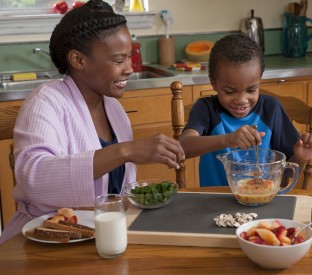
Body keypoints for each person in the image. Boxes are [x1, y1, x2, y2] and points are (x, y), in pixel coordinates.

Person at [0, 0, 184, 245]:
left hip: (103, 237)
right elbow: (34, 178)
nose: (129, 68)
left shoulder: (114, 110)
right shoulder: (46, 101)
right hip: (43, 241)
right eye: (119, 60)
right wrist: (126, 150)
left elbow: (115, 192)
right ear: (78, 60)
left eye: (129, 57)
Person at [180, 34, 312, 187]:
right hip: (215, 203)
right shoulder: (206, 109)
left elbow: (289, 172)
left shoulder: (271, 109)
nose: (241, 99)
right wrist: (228, 139)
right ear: (213, 82)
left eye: (251, 90)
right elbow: (184, 147)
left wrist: (301, 158)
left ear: (260, 79)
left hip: (262, 200)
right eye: (229, 91)